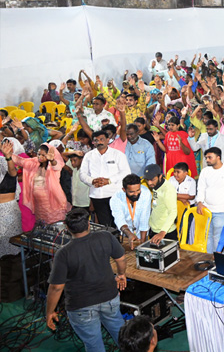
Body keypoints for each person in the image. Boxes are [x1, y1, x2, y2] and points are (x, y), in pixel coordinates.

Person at [46, 208, 127, 352]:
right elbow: (120, 259)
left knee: (93, 345)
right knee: (123, 338)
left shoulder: (63, 254)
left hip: (80, 306)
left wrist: (50, 311)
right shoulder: (105, 236)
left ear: (67, 228)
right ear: (89, 224)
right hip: (109, 298)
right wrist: (121, 275)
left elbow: (56, 287)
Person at [79, 130, 131, 227]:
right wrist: (92, 181)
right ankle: (107, 241)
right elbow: (82, 174)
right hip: (97, 195)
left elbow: (126, 172)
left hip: (114, 194)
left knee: (118, 222)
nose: (99, 142)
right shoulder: (89, 156)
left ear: (108, 140)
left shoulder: (118, 154)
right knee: (104, 224)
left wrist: (109, 181)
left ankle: (117, 241)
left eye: (101, 139)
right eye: (96, 140)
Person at [110, 173, 151, 248]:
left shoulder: (146, 193)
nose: (136, 194)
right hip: (125, 235)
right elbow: (119, 220)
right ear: (124, 190)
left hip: (142, 233)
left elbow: (144, 219)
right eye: (131, 192)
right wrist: (129, 234)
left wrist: (142, 243)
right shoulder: (116, 198)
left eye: (138, 190)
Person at [142, 164, 178, 243]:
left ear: (160, 176)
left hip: (166, 233)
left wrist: (163, 232)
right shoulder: (156, 186)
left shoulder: (167, 190)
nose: (149, 183)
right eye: (147, 180)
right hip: (154, 230)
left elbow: (173, 212)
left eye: (152, 179)